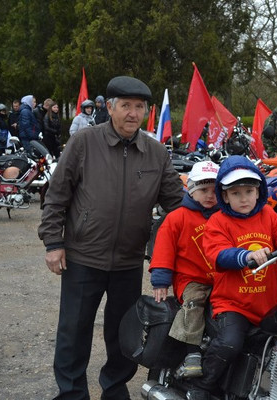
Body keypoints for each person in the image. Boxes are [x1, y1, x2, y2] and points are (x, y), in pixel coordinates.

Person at [38, 75, 184, 400]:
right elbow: (57, 194)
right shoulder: (84, 143)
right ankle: (72, 393)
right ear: (110, 107)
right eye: (126, 106)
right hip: (83, 257)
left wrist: (212, 214)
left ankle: (115, 390)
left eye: (139, 107)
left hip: (129, 262)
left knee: (123, 334)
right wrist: (53, 242)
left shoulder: (156, 153)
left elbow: (177, 205)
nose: (133, 113)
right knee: (73, 333)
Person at [187, 155, 277, 400]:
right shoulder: (218, 221)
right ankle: (203, 386)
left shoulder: (268, 216)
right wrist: (244, 256)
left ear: (259, 191)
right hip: (232, 304)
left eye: (249, 190)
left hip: (268, 306)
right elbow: (217, 253)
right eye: (236, 193)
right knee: (230, 343)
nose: (244, 197)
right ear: (224, 196)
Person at [149, 160, 220, 378]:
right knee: (194, 304)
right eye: (203, 190)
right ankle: (192, 353)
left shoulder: (224, 217)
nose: (209, 195)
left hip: (221, 277)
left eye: (214, 190)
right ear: (191, 190)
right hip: (191, 278)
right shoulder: (177, 218)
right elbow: (163, 249)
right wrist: (161, 281)